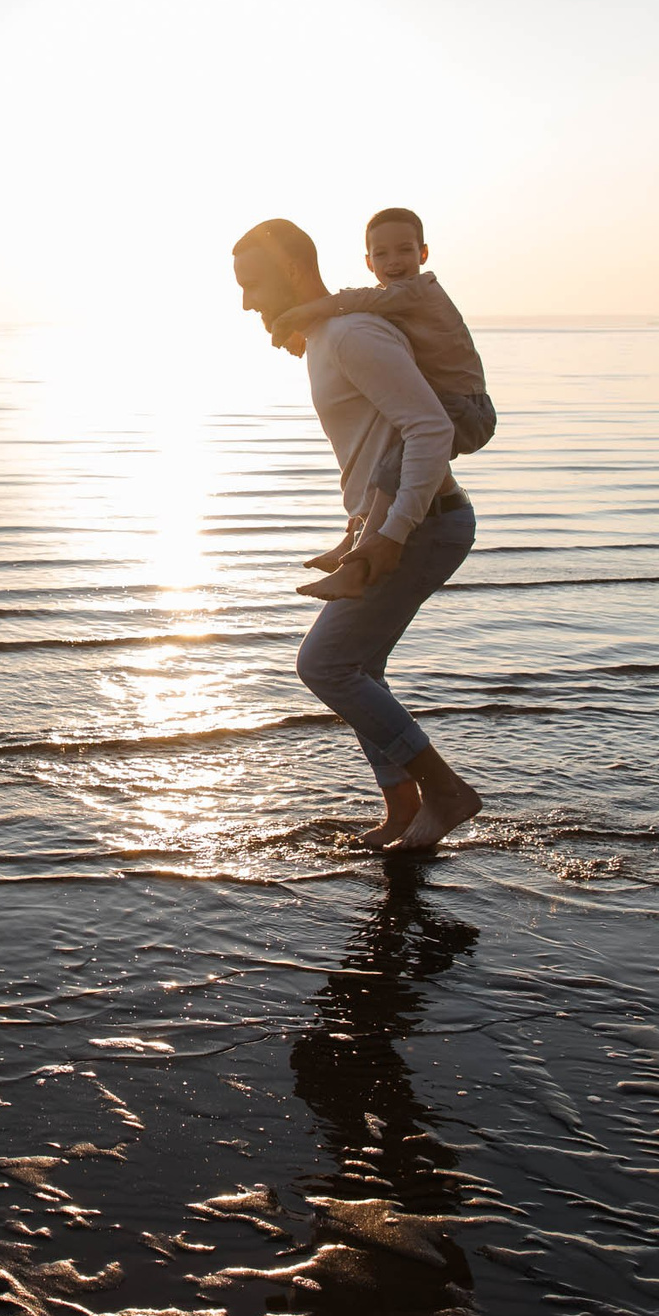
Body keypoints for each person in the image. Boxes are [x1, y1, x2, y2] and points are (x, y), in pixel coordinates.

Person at [233, 218, 483, 852]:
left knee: (325, 664)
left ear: (291, 271)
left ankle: (444, 792)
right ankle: (402, 807)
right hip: (404, 523)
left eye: (251, 283)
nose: (244, 302)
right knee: (360, 667)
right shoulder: (328, 336)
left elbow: (429, 429)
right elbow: (381, 444)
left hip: (423, 524)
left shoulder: (352, 333)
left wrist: (393, 534)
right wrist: (361, 527)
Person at [267, 207, 494, 600]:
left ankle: (364, 554)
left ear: (423, 254)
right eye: (382, 254)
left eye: (404, 250)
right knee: (386, 461)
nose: (394, 262)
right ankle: (354, 539)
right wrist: (310, 335)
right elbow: (366, 310)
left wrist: (305, 313)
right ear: (369, 261)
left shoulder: (420, 289)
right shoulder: (391, 303)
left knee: (392, 463)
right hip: (452, 402)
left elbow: (355, 302)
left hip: (468, 409)